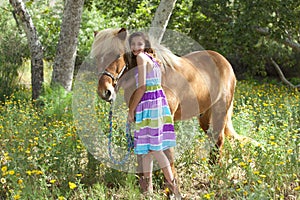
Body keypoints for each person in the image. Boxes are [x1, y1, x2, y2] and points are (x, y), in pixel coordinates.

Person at [126, 31, 181, 199]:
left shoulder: (142, 58)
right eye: (133, 44)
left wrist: (131, 109)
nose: (136, 47)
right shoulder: (153, 59)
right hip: (157, 102)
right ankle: (147, 192)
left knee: (155, 150)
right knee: (148, 151)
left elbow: (142, 87)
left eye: (139, 44)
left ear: (145, 45)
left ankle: (175, 189)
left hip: (148, 103)